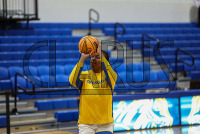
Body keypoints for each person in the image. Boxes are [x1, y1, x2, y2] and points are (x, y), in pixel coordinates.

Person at [69, 39, 117, 134]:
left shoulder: (110, 76)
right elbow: (72, 79)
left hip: (105, 124)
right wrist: (82, 59)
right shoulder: (85, 75)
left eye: (97, 57)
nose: (93, 59)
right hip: (86, 124)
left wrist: (100, 52)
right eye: (92, 57)